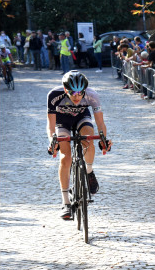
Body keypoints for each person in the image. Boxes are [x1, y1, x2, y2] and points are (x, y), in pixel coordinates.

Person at [47, 71, 111, 219]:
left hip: (82, 117)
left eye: (80, 93)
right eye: (72, 93)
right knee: (65, 157)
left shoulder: (92, 95)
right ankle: (66, 203)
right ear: (65, 90)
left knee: (89, 138)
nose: (77, 96)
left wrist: (103, 139)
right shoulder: (53, 95)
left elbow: (100, 122)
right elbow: (51, 125)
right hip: (62, 121)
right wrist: (52, 140)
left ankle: (89, 171)